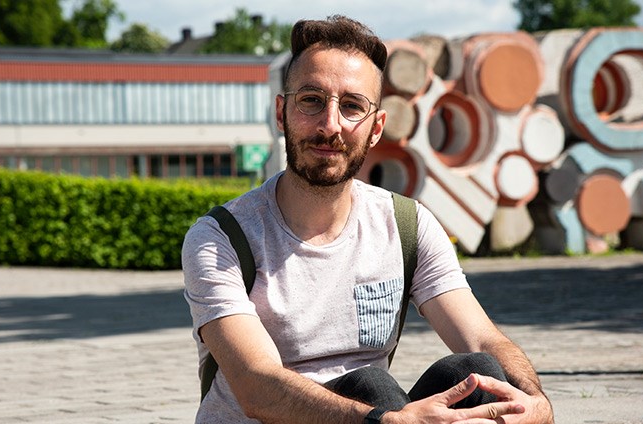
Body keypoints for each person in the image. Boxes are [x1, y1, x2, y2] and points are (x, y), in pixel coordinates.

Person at [182, 15, 554, 424]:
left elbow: (481, 335)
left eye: (352, 106)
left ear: (376, 128)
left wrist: (534, 402)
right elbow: (258, 385)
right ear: (281, 112)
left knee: (475, 375)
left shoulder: (406, 225)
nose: (330, 125)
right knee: (372, 388)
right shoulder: (220, 239)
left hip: (380, 418)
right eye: (311, 100)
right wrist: (387, 421)